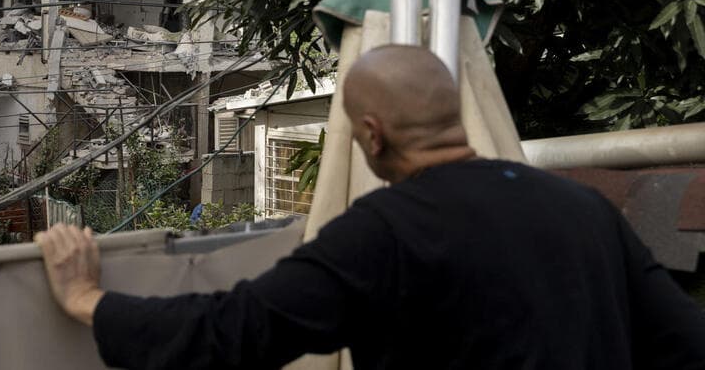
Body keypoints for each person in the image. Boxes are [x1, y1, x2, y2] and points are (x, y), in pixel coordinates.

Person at [37, 45, 705, 369]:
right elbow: (684, 342)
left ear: (372, 135)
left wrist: (90, 301)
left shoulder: (382, 235)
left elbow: (233, 330)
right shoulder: (583, 209)